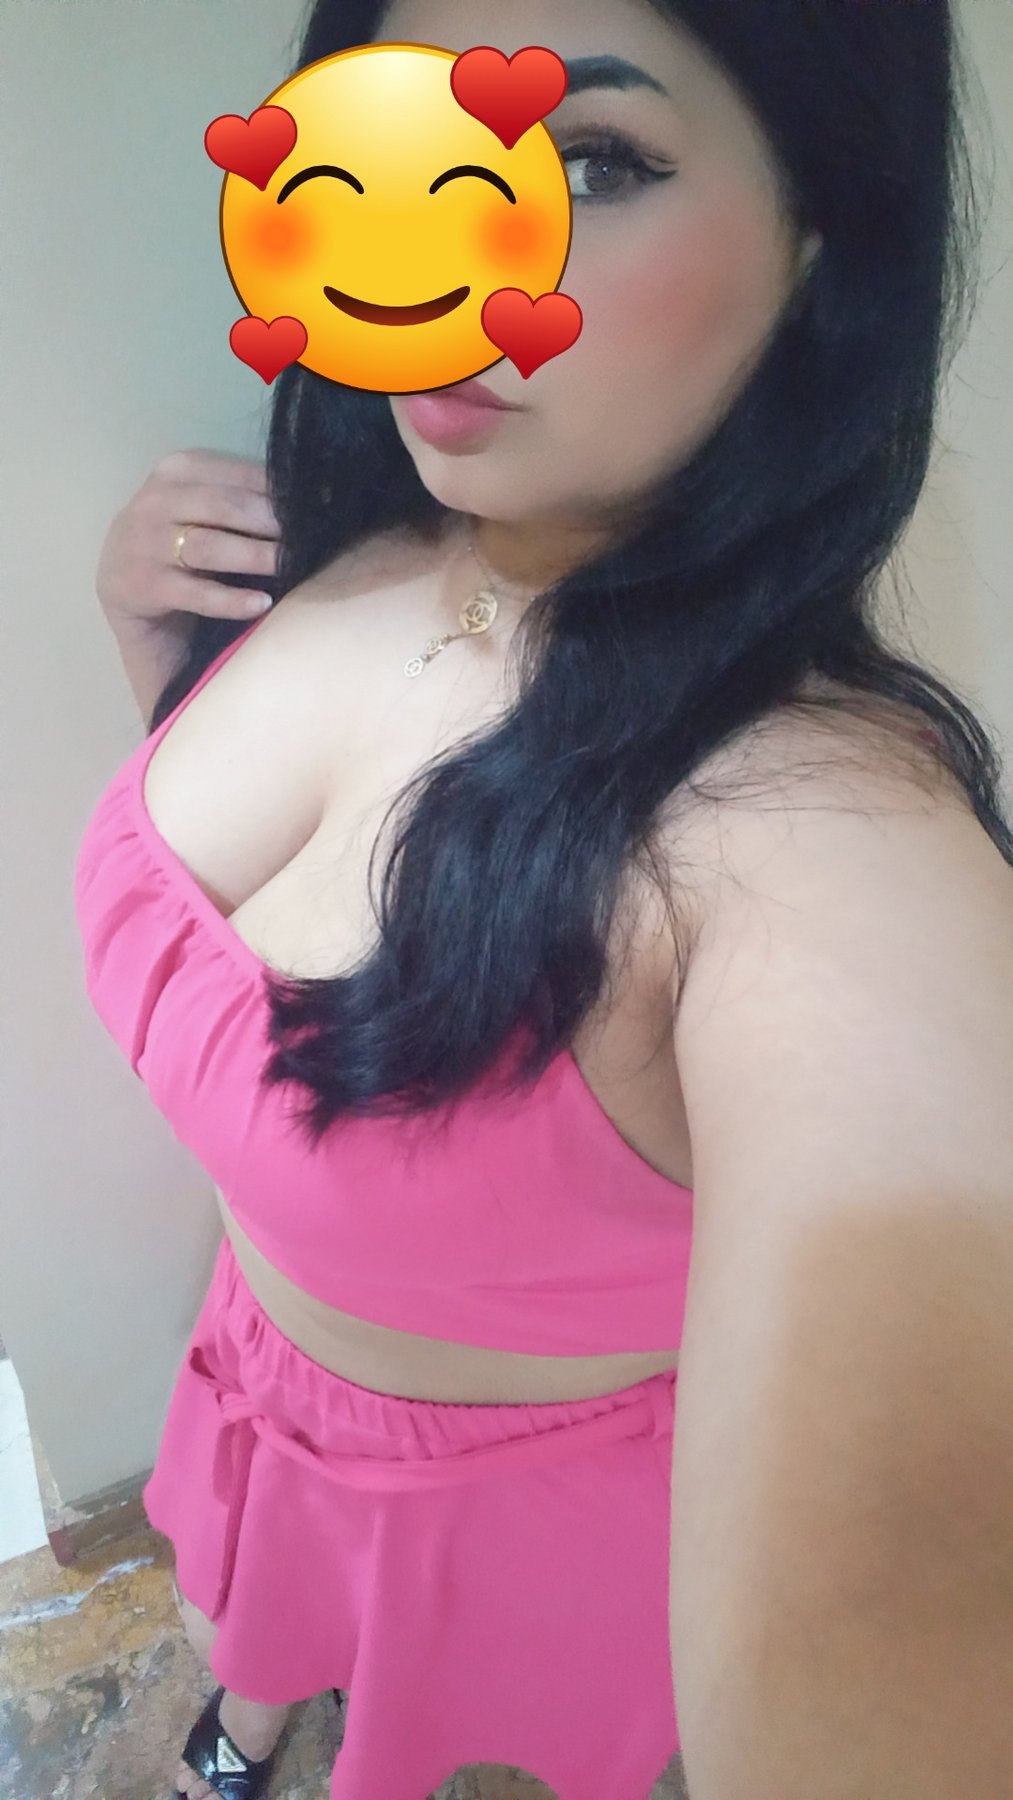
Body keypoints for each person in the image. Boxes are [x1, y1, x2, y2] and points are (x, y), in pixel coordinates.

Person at [85, 2, 1013, 1798]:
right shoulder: (376, 532)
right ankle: (250, 1709)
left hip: (502, 1511)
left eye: (589, 164)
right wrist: (169, 660)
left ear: (823, 239)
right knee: (252, 1632)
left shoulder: (819, 847)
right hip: (255, 1373)